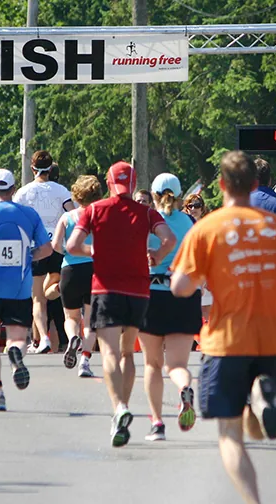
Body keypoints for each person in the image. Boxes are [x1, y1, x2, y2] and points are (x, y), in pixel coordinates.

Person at [170, 151, 276, 504]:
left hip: (225, 342)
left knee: (229, 435)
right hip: (272, 338)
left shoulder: (208, 227)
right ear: (255, 184)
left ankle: (253, 501)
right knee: (252, 416)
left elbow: (180, 287)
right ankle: (260, 392)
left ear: (223, 185)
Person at [66, 161, 176, 447]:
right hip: (139, 290)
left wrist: (94, 250)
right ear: (133, 182)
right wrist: (157, 255)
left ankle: (119, 408)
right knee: (128, 353)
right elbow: (170, 239)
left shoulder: (94, 210)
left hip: (106, 289)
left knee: (110, 353)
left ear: (108, 181)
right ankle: (123, 407)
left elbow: (72, 246)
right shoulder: (147, 212)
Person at [0, 169, 52, 412]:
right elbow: (46, 249)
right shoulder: (29, 214)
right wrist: (28, 256)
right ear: (14, 190)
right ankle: (15, 354)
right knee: (16, 338)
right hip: (19, 287)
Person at [138, 173, 204, 441]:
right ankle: (184, 388)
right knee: (177, 364)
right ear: (179, 197)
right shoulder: (190, 222)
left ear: (153, 195)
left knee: (152, 364)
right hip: (184, 294)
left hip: (151, 293)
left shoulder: (147, 222)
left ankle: (156, 424)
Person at [14, 150, 75, 354]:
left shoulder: (23, 192)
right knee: (53, 288)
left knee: (37, 298)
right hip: (57, 246)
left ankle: (43, 338)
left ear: (32, 168)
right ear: (51, 169)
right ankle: (65, 333)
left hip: (35, 246)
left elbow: (15, 218)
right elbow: (72, 212)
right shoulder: (61, 190)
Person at [51, 175, 101, 377]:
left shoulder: (67, 217)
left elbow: (55, 245)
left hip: (70, 269)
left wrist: (68, 253)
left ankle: (72, 337)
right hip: (94, 270)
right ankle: (85, 361)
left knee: (70, 316)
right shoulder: (99, 216)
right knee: (90, 320)